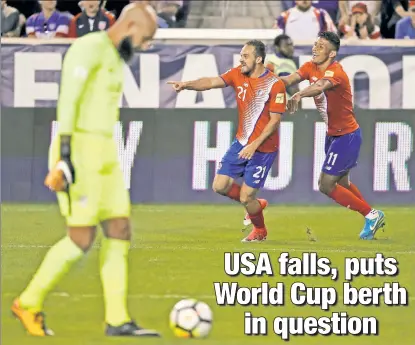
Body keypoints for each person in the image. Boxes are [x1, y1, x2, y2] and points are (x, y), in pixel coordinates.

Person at [12, 3, 161, 338]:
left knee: (120, 228)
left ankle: (118, 320)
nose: (143, 46)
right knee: (81, 237)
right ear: (130, 26)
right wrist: (64, 156)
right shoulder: (88, 48)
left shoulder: (114, 57)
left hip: (106, 148)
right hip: (78, 148)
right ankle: (28, 302)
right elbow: (68, 102)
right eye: (145, 39)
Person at [167, 40, 287, 242]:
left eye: (246, 55)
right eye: (241, 55)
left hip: (263, 149)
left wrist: (254, 145)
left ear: (258, 59)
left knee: (246, 197)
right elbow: (211, 82)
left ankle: (260, 230)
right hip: (241, 143)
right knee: (220, 185)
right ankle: (256, 205)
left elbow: (275, 121)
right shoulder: (237, 73)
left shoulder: (275, 84)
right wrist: (186, 85)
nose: (241, 59)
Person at [282, 31, 385, 240]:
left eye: (321, 46)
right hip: (333, 136)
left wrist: (299, 93)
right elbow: (290, 79)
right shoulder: (309, 66)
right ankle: (372, 216)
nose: (315, 49)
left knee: (326, 184)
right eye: (315, 44)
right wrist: (266, 82)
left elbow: (319, 86)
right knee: (343, 184)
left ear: (332, 53)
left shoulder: (336, 72)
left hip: (346, 136)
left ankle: (371, 215)